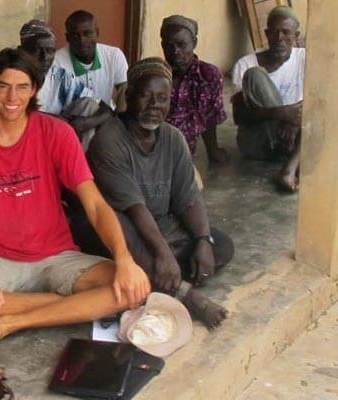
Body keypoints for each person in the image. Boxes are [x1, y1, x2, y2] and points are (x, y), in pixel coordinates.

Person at [0, 48, 150, 347]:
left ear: (35, 89)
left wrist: (124, 258)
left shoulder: (57, 133)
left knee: (133, 287)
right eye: (3, 86)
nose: (12, 97)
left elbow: (95, 204)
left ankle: (12, 321)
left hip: (57, 256)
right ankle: (67, 305)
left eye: (22, 87)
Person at [80, 58, 236, 327]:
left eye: (163, 98)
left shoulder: (172, 138)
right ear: (128, 96)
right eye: (146, 96)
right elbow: (134, 207)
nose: (154, 106)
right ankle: (186, 294)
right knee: (121, 229)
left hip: (162, 227)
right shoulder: (109, 139)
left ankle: (157, 274)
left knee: (221, 245)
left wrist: (202, 239)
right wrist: (163, 253)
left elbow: (188, 199)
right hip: (127, 229)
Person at [230, 6, 306, 192]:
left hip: (293, 138)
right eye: (274, 32)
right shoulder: (245, 64)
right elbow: (239, 117)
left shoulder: (305, 58)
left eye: (286, 33)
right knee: (254, 75)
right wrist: (282, 113)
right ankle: (297, 161)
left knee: (323, 112)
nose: (279, 38)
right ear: (266, 33)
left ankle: (289, 169)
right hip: (258, 143)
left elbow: (322, 101)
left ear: (296, 36)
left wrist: (293, 121)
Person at [17, 19, 112, 150]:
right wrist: (57, 121)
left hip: (55, 139)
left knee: (89, 105)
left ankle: (80, 165)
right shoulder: (12, 76)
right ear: (22, 51)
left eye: (50, 51)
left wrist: (84, 123)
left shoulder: (59, 76)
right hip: (23, 143)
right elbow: (12, 114)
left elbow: (107, 111)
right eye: (36, 50)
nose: (44, 57)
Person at [160, 15, 230, 164]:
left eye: (182, 44)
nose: (175, 51)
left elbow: (210, 116)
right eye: (169, 45)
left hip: (184, 154)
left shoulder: (208, 75)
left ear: (194, 43)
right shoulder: (155, 75)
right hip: (154, 148)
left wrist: (212, 150)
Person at [53, 10, 129, 110]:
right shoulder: (56, 62)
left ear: (97, 33)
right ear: (68, 38)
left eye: (87, 33)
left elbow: (125, 93)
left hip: (106, 118)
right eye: (75, 35)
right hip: (71, 120)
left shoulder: (114, 55)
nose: (82, 40)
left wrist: (119, 123)